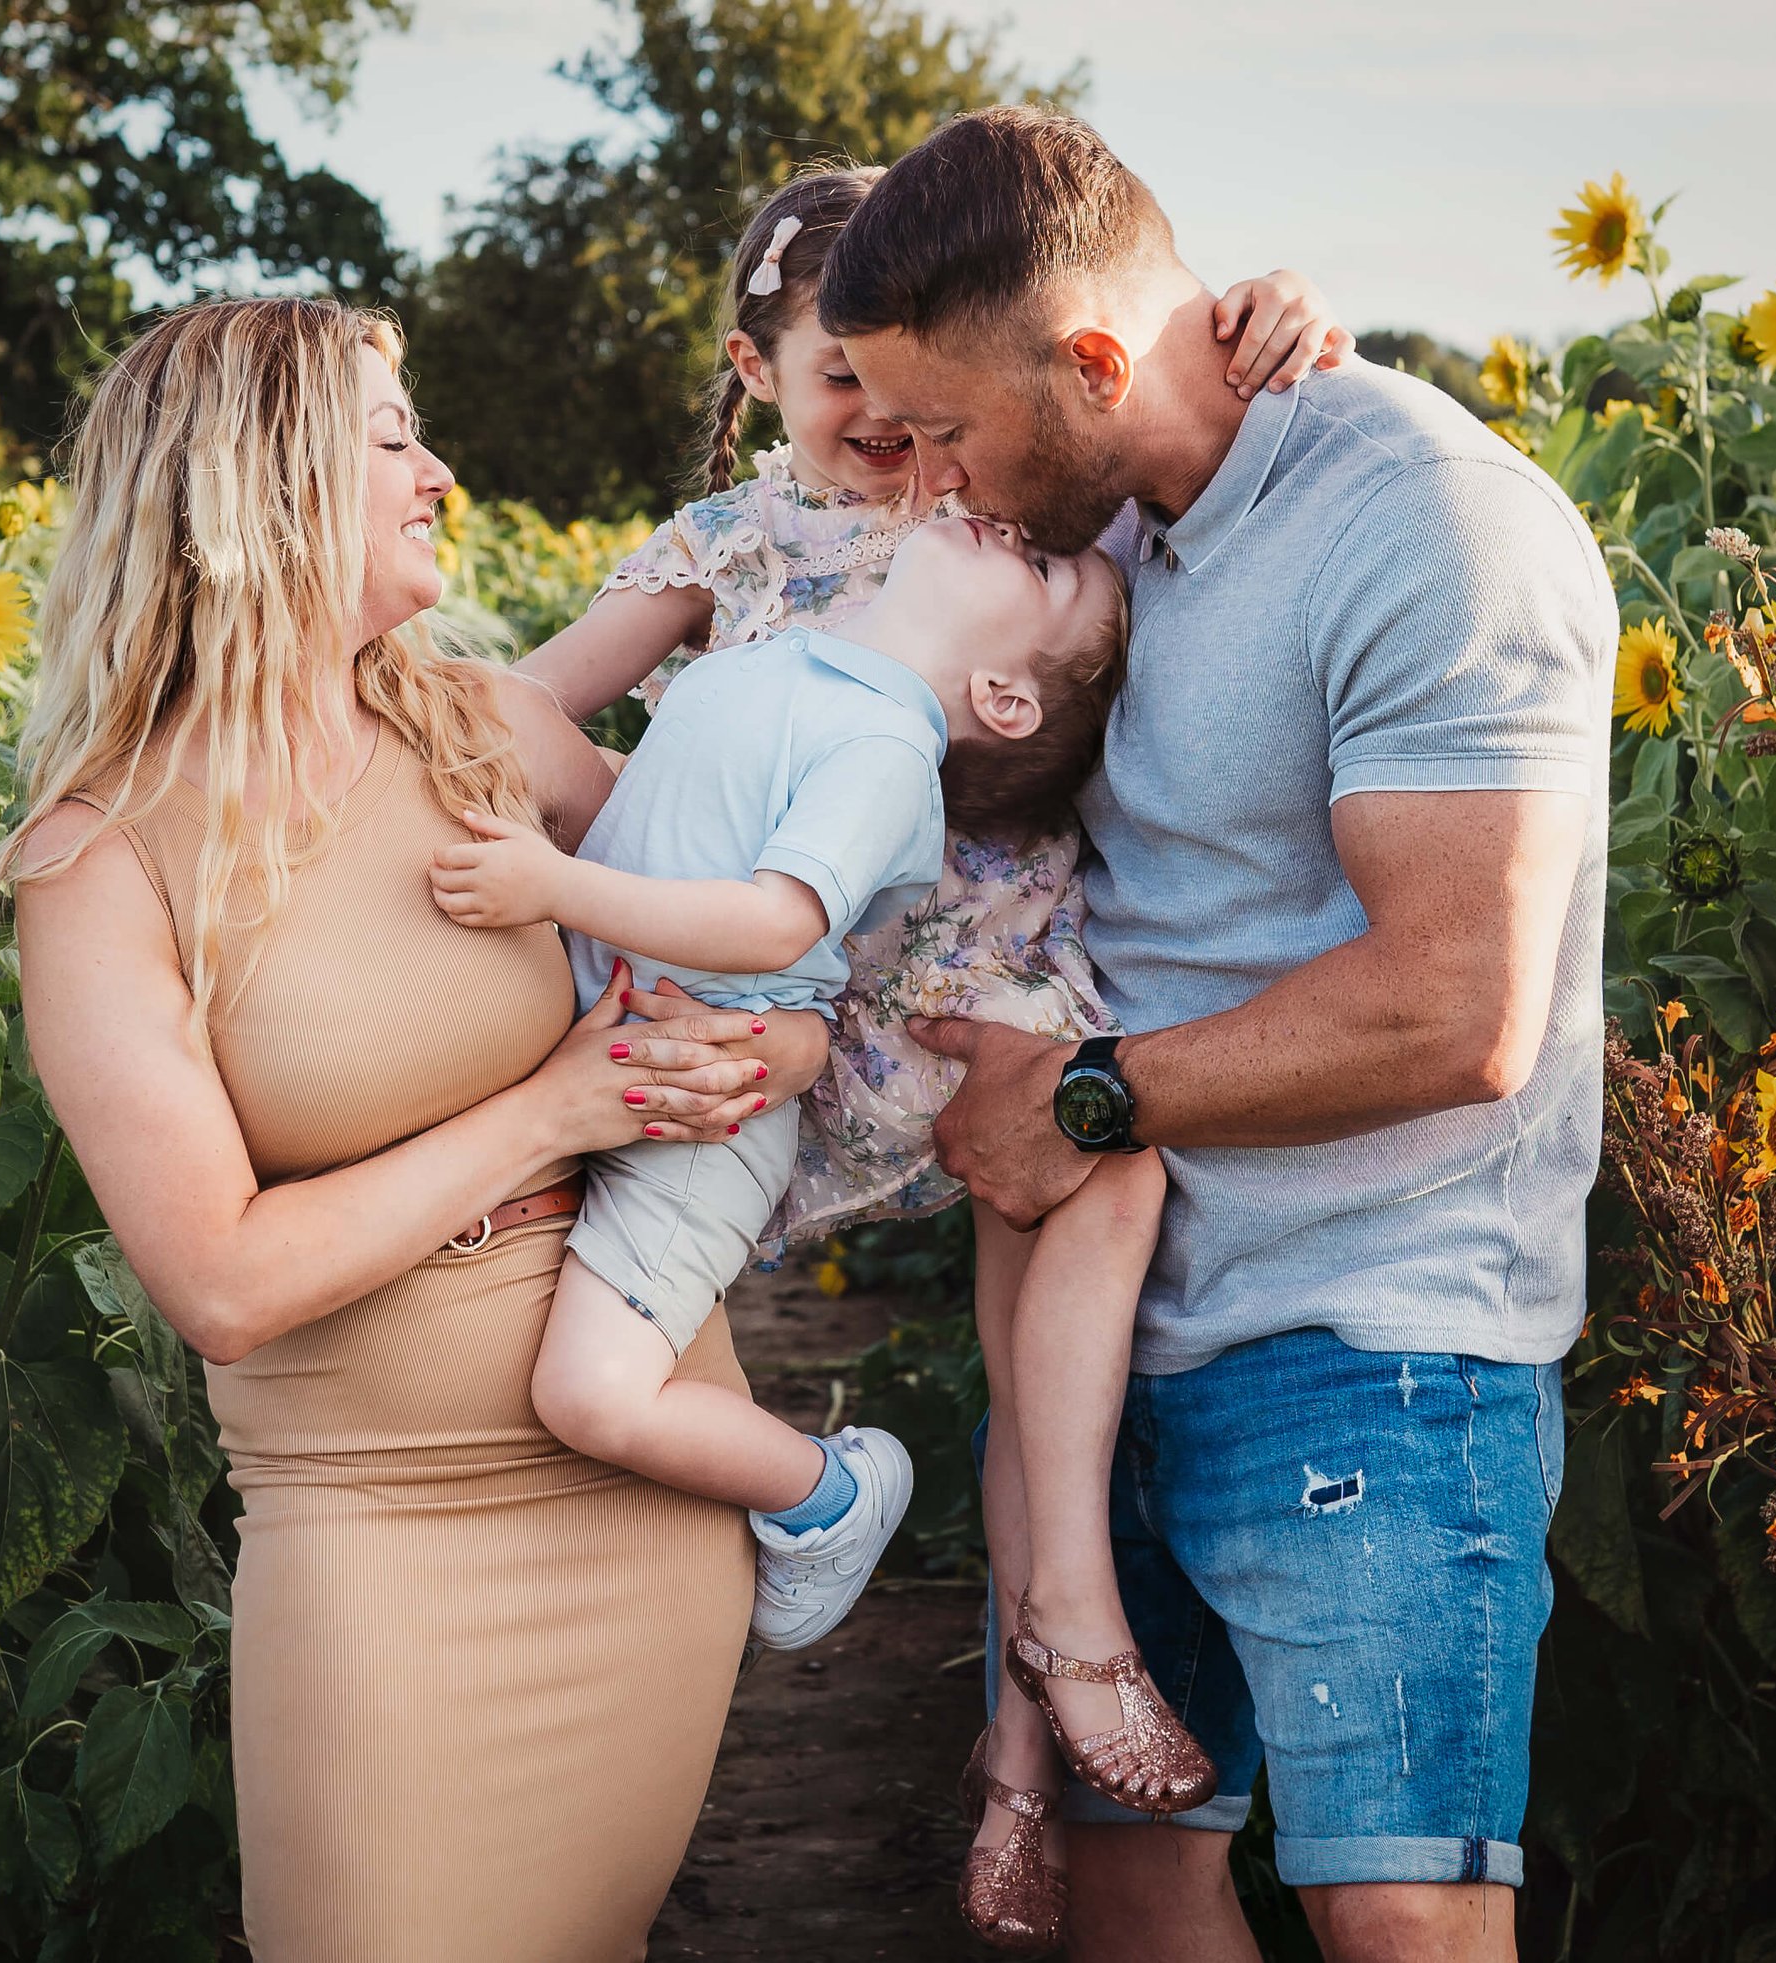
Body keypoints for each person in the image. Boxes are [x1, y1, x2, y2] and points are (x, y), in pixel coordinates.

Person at [513, 168, 1352, 1947]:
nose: (898, 444)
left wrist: (1266, 303)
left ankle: (1023, 1738)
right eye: (846, 397)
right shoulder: (740, 544)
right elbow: (537, 707)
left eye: (922, 410)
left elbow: (1125, 374)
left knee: (1051, 1313)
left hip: (988, 959)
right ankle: (1052, 1633)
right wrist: (619, 840)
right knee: (1078, 1220)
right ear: (757, 372)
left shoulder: (1000, 510)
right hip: (833, 975)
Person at [822, 107, 1616, 1963]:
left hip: (1372, 1340)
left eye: (951, 430)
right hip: (1120, 1340)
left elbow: (1456, 1006)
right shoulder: (1119, 529)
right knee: (1130, 1886)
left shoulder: (1430, 521)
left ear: (1096, 361)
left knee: (1399, 1910)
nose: (933, 481)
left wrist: (1083, 1102)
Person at [0, 296, 837, 1962]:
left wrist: (781, 1047)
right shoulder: (102, 861)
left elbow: (775, 935)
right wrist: (552, 1108)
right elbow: (221, 1279)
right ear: (257, 485)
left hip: (635, 1475)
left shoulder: (490, 736)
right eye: (389, 439)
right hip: (370, 1516)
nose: (439, 472)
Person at [433, 513, 1165, 1688]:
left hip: (697, 1114)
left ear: (1004, 698)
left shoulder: (881, 748)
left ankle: (826, 1492)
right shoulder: (782, 659)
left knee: (585, 1390)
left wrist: (553, 884)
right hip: (611, 1049)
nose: (1003, 529)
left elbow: (781, 922)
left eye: (1036, 567)